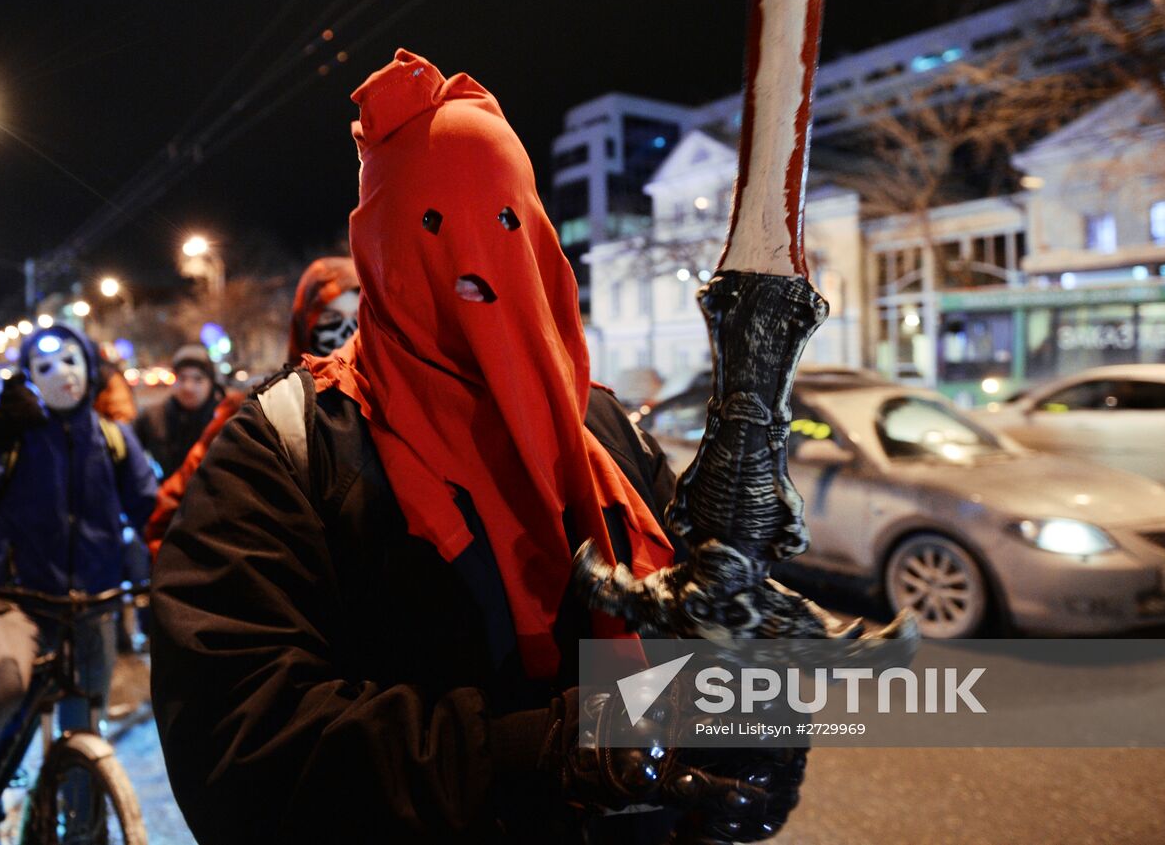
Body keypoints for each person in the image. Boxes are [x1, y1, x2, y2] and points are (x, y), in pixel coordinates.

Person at [151, 51, 791, 844]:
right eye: (430, 229)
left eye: (503, 223)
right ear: (378, 251)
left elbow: (707, 652)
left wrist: (745, 728)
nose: (473, 268)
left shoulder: (607, 433)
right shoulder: (283, 451)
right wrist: (534, 751)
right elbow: (239, 743)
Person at [0, 324, 157, 845]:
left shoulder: (114, 438)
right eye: (45, 366)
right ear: (29, 377)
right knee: (0, 693)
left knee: (84, 722)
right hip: (20, 600)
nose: (63, 374)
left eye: (72, 360)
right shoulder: (14, 435)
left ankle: (82, 830)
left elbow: (151, 508)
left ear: (91, 369)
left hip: (92, 605)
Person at [141, 255, 358, 559]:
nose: (348, 336)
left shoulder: (398, 412)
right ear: (305, 323)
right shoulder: (264, 408)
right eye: (331, 320)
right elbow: (175, 506)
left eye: (360, 320)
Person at [135, 344, 221, 478]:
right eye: (182, 378)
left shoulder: (224, 421)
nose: (188, 387)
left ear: (211, 383)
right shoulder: (151, 418)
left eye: (198, 379)